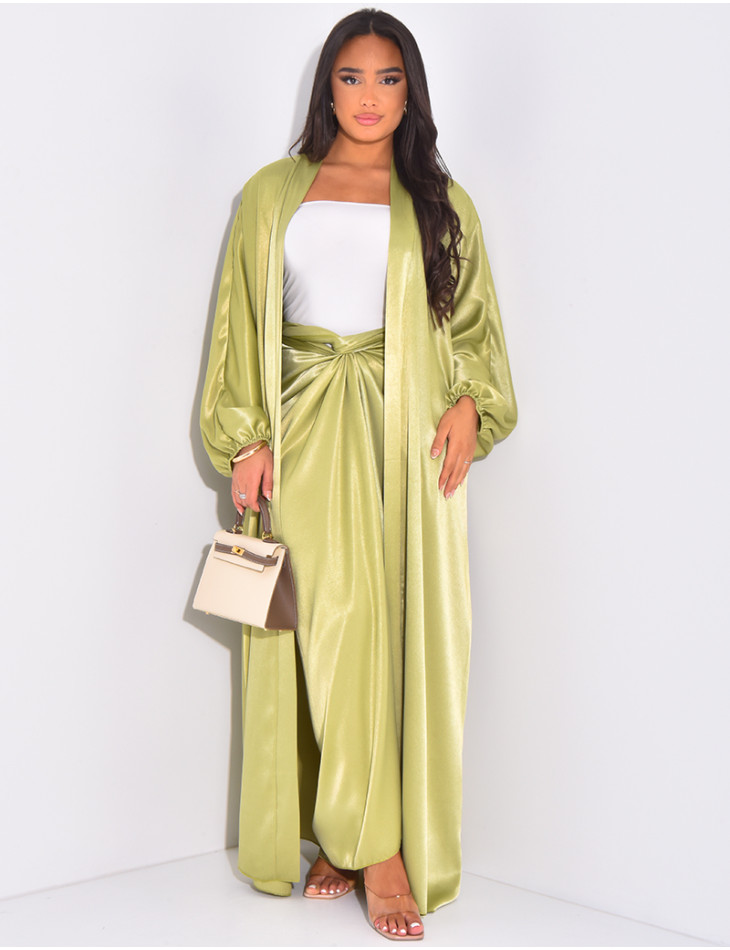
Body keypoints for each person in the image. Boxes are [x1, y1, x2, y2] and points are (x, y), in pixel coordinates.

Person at [200, 7, 517, 941]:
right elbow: (238, 324)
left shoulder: (441, 202)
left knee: (388, 631)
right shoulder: (272, 192)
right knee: (324, 626)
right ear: (326, 87)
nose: (369, 96)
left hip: (405, 434)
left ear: (410, 91)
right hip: (302, 427)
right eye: (351, 77)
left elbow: (475, 330)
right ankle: (372, 848)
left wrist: (472, 405)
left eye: (388, 78)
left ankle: (353, 838)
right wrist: (244, 439)